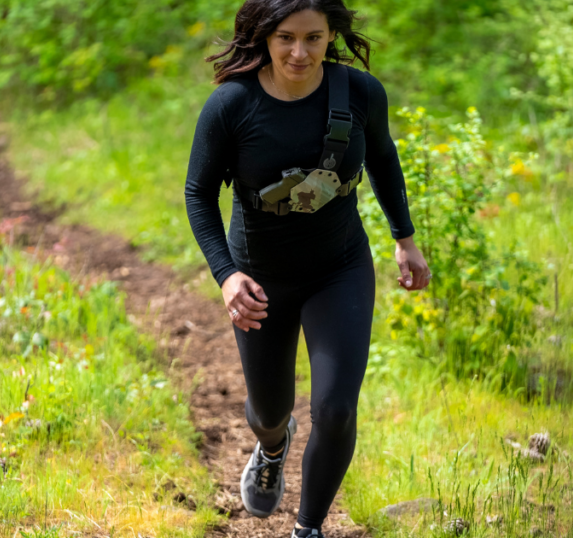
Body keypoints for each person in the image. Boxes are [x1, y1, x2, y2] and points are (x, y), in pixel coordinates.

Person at [184, 1, 429, 536]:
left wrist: (404, 240)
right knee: (269, 411)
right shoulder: (232, 105)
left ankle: (308, 527)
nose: (300, 52)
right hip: (259, 278)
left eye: (314, 38)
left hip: (338, 268)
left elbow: (384, 159)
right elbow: (198, 195)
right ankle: (272, 447)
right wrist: (226, 274)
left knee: (337, 408)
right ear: (264, 37)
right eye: (286, 38)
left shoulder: (360, 93)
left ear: (331, 36)